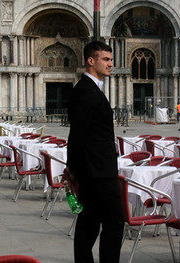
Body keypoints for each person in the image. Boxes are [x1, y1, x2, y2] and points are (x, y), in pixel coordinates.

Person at [66, 40, 123, 263]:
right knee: (114, 221)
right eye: (106, 59)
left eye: (111, 59)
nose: (110, 64)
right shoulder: (86, 92)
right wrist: (72, 170)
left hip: (94, 170)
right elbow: (77, 134)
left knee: (89, 222)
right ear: (91, 61)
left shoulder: (90, 90)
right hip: (97, 172)